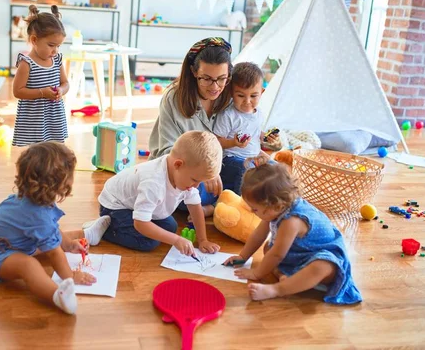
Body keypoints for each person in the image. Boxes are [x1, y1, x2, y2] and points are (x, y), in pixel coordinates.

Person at [0, 143, 112, 314]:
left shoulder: (34, 199)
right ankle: (57, 296)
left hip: (14, 245)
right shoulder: (37, 214)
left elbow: (52, 229)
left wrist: (68, 245)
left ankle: (86, 235)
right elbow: (54, 253)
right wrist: (71, 276)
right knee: (28, 265)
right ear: (56, 182)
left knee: (48, 241)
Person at [224, 163, 362, 305]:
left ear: (274, 205)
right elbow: (258, 235)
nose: (252, 212)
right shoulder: (274, 210)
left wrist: (256, 273)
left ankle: (277, 289)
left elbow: (278, 255)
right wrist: (242, 257)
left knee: (322, 266)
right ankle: (286, 276)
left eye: (255, 209)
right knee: (268, 248)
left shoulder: (292, 221)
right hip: (300, 252)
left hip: (323, 254)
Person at [84, 131, 223, 254]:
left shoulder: (185, 176)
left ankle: (114, 224)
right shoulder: (153, 182)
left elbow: (195, 207)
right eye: (195, 180)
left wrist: (203, 240)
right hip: (115, 206)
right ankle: (104, 228)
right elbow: (140, 224)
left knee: (171, 226)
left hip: (132, 204)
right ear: (178, 165)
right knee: (149, 242)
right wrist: (176, 240)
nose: (196, 186)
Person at [148, 37, 234, 215]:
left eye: (221, 79)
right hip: (182, 172)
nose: (215, 87)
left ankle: (217, 206)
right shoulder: (174, 98)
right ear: (194, 72)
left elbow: (248, 130)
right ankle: (225, 205)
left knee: (252, 174)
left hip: (218, 171)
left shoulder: (232, 95)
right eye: (207, 79)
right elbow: (168, 154)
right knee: (191, 190)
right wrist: (205, 172)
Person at [213, 62, 278, 194]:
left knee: (276, 169)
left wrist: (266, 137)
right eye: (241, 95)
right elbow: (216, 141)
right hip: (230, 160)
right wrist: (233, 143)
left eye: (253, 96)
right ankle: (239, 204)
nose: (247, 101)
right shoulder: (228, 114)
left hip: (253, 156)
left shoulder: (258, 113)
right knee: (247, 168)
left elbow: (256, 133)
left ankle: (269, 202)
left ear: (262, 92)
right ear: (231, 92)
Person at [12, 5, 69, 146]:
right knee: (35, 150)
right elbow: (17, 91)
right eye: (51, 45)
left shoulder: (56, 60)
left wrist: (61, 90)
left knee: (54, 148)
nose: (55, 50)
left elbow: (65, 83)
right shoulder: (26, 63)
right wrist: (42, 93)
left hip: (53, 116)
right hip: (34, 120)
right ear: (34, 40)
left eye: (58, 46)